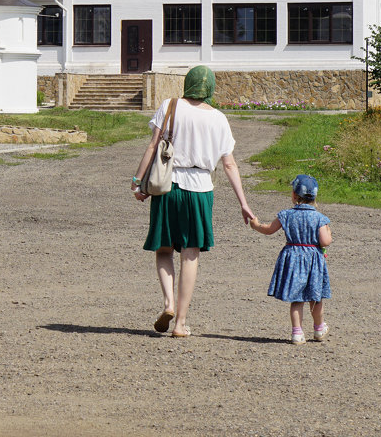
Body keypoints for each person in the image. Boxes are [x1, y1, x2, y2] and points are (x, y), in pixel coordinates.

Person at [131, 65, 254, 337]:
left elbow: (153, 146)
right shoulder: (219, 118)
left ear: (188, 84)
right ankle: (180, 323)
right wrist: (243, 203)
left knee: (163, 249)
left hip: (168, 186)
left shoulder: (170, 105)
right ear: (209, 88)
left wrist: (138, 181)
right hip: (200, 190)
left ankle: (168, 304)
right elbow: (229, 164)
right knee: (190, 254)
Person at [248, 173, 333, 344]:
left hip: (293, 259)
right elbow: (325, 241)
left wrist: (256, 225)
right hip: (312, 261)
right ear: (315, 197)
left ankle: (297, 332)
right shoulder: (319, 218)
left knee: (297, 299)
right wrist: (329, 233)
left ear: (294, 195)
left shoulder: (286, 215)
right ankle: (318, 329)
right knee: (315, 298)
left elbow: (269, 229)